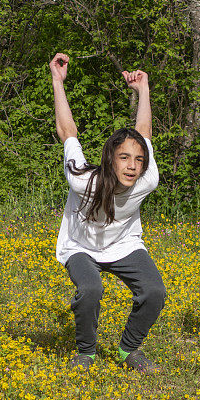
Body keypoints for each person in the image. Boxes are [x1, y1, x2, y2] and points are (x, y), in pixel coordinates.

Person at [50, 52, 166, 373]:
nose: (132, 165)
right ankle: (85, 352)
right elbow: (67, 131)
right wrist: (58, 82)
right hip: (80, 247)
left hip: (124, 244)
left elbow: (143, 130)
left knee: (154, 291)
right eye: (124, 157)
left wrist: (143, 90)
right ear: (110, 159)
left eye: (138, 159)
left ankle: (128, 350)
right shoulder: (82, 180)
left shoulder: (147, 179)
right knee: (90, 289)